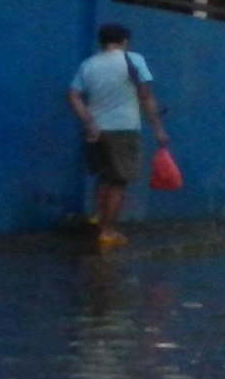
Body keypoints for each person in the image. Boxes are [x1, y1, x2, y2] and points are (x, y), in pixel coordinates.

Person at [67, 21, 167, 247]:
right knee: (119, 181)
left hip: (96, 131)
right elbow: (146, 97)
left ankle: (96, 218)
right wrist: (159, 129)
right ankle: (108, 231)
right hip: (123, 129)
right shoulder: (133, 60)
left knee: (104, 176)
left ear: (101, 42)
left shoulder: (89, 64)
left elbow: (72, 95)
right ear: (124, 41)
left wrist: (89, 122)